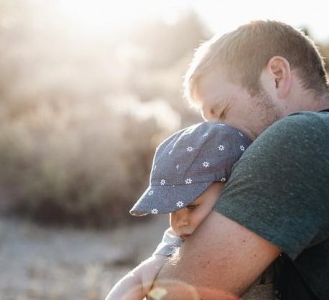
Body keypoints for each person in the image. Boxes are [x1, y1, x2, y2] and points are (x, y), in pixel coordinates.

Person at [148, 20, 329, 299]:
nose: (217, 135)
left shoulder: (297, 140)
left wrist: (154, 265)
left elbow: (174, 295)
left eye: (222, 111)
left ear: (277, 75)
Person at [106, 121, 252, 300]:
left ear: (232, 190)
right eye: (173, 210)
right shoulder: (178, 242)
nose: (180, 221)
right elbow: (137, 278)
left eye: (192, 206)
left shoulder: (256, 228)